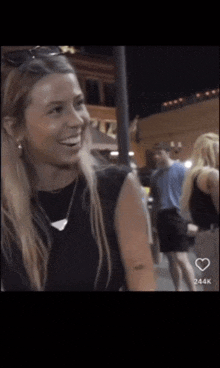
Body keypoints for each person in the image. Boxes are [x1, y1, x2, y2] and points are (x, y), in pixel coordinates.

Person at [1, 46, 156, 292]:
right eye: (56, 109)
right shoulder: (5, 206)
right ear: (14, 127)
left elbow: (141, 272)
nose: (77, 120)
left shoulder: (117, 186)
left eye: (79, 103)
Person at [150, 142, 196, 291]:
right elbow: (155, 200)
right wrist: (153, 223)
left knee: (180, 258)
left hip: (178, 215)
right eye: (154, 153)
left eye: (159, 152)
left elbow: (192, 195)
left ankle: (193, 290)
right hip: (162, 217)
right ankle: (178, 289)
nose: (156, 156)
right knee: (171, 259)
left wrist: (191, 220)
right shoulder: (155, 175)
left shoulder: (181, 169)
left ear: (167, 152)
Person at [180, 133, 219, 291]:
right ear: (210, 152)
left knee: (210, 280)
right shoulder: (212, 175)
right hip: (216, 234)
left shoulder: (193, 175)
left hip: (203, 236)